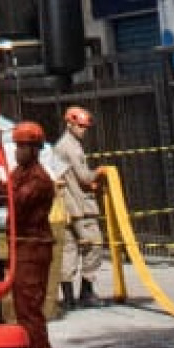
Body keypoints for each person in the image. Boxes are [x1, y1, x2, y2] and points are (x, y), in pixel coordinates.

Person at [7, 121, 60, 348]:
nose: (18, 152)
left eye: (23, 147)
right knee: (22, 308)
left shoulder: (38, 179)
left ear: (35, 149)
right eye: (17, 146)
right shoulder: (21, 172)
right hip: (23, 246)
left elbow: (15, 203)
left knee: (30, 310)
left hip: (33, 247)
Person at [52, 102, 106, 309]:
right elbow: (84, 177)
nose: (83, 131)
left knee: (69, 248)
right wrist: (99, 173)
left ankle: (67, 298)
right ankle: (86, 292)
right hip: (81, 206)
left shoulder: (59, 146)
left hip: (65, 205)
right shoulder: (71, 147)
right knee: (94, 245)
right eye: (80, 127)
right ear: (70, 124)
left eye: (85, 127)